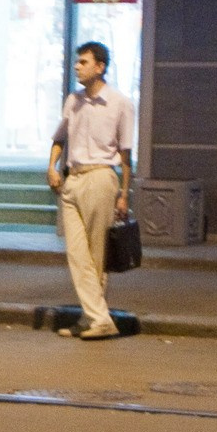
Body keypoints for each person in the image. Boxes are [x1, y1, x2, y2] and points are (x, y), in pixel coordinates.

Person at [47, 40, 136, 340]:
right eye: (76, 62)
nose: (77, 67)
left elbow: (125, 157)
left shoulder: (120, 104)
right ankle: (99, 317)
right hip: (72, 179)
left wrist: (124, 194)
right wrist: (52, 167)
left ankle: (91, 318)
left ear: (100, 67)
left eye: (83, 62)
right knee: (76, 252)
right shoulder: (73, 100)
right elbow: (59, 138)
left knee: (96, 256)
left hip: (101, 178)